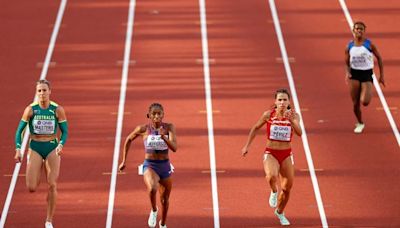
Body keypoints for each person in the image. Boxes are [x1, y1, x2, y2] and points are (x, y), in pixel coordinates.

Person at [241, 89, 302, 226]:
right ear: (275, 102)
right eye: (279, 100)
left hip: (286, 154)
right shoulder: (268, 115)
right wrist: (247, 146)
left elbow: (300, 133)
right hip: (271, 153)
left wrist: (292, 121)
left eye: (284, 99)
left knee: (287, 189)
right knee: (271, 176)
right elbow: (255, 128)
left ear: (288, 102)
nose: (282, 102)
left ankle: (280, 212)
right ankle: (274, 191)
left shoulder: (294, 116)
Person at [14, 79, 68, 228]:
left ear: (50, 92)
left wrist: (61, 144)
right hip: (36, 147)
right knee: (32, 187)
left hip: (52, 147)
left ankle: (49, 220)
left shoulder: (57, 109)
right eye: (39, 91)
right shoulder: (30, 109)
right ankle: (37, 168)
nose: (42, 93)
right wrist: (18, 148)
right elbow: (19, 131)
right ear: (36, 93)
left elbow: (65, 131)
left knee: (52, 184)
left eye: (44, 90)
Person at [119, 103, 177, 228]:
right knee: (152, 188)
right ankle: (154, 210)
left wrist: (163, 137)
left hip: (165, 165)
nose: (156, 116)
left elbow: (174, 148)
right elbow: (128, 139)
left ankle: (163, 224)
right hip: (150, 165)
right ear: (149, 115)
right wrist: (124, 160)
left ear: (163, 115)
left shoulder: (169, 127)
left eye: (159, 113)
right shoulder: (143, 129)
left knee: (165, 200)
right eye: (154, 113)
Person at [345, 21, 385, 133]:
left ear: (364, 31)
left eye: (361, 29)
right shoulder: (349, 46)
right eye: (357, 28)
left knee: (365, 101)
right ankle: (360, 122)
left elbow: (380, 58)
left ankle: (365, 91)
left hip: (367, 74)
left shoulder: (369, 44)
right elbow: (346, 62)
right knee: (355, 103)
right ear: (353, 31)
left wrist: (381, 76)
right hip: (354, 74)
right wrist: (347, 72)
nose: (359, 31)